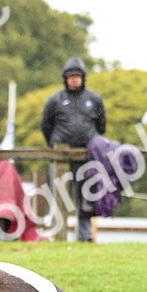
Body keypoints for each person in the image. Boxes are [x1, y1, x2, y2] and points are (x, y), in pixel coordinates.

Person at [41, 57, 107, 241]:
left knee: (86, 195)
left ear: (83, 78)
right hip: (61, 154)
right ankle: (58, 235)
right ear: (65, 79)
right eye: (71, 77)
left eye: (78, 76)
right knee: (60, 194)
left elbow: (101, 126)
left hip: (87, 155)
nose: (74, 79)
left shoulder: (94, 99)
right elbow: (46, 125)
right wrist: (55, 145)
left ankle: (85, 236)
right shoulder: (55, 100)